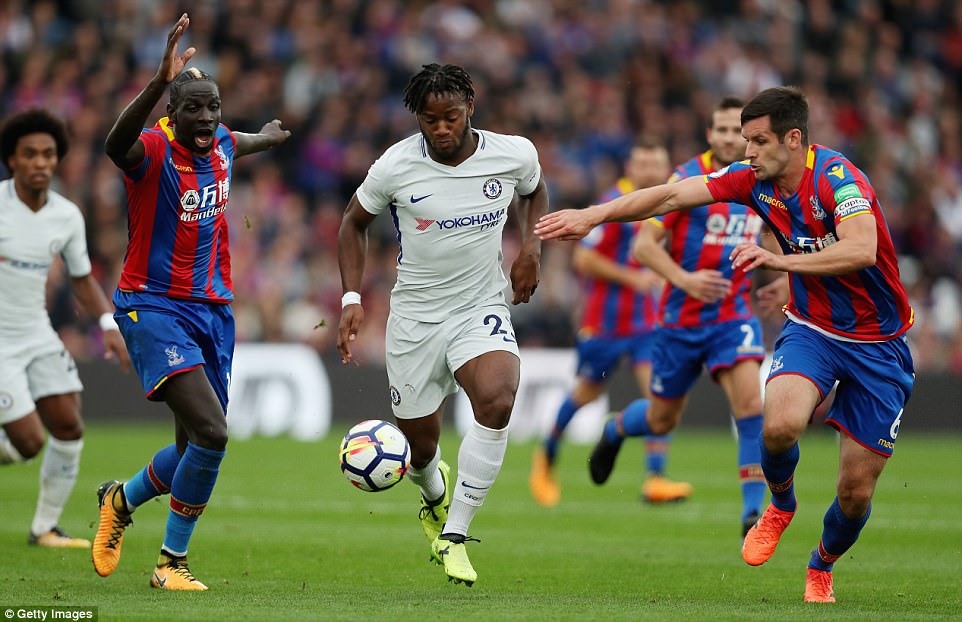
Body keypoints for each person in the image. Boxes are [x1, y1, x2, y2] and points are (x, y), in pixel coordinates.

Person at [534, 86, 914, 604]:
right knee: (776, 425)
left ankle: (821, 565)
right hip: (811, 330)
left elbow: (862, 248)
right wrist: (592, 216)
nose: (747, 151)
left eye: (758, 141)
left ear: (794, 139)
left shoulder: (837, 179)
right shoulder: (749, 180)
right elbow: (668, 197)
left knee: (854, 492)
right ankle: (777, 505)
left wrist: (779, 264)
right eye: (742, 139)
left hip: (879, 343)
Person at [91, 13, 290, 591]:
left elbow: (237, 142)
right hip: (152, 305)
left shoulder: (224, 141)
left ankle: (119, 501)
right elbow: (112, 144)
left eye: (213, 107)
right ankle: (170, 564)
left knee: (191, 446)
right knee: (213, 433)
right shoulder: (152, 150)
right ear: (171, 113)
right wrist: (158, 80)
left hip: (212, 311)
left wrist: (269, 137)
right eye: (193, 108)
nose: (206, 119)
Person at [337, 63, 548, 587]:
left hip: (480, 306)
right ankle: (433, 495)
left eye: (450, 117)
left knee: (498, 399)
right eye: (430, 120)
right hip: (414, 319)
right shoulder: (395, 167)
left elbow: (535, 190)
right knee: (421, 449)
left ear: (470, 109)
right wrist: (350, 297)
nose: (441, 129)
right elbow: (352, 223)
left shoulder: (512, 154)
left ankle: (454, 534)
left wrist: (532, 246)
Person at [586, 98, 767, 537]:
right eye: (721, 130)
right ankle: (615, 430)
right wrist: (685, 281)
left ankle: (752, 516)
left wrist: (779, 273)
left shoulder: (762, 177)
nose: (729, 138)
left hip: (733, 313)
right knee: (663, 419)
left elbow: (775, 230)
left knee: (750, 405)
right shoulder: (686, 180)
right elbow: (644, 248)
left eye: (736, 131)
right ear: (709, 134)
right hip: (681, 319)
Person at [529, 137, 692, 508]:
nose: (651, 171)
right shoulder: (611, 203)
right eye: (644, 164)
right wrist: (633, 278)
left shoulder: (668, 204)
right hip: (603, 324)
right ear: (630, 168)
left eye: (657, 165)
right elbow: (583, 261)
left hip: (647, 325)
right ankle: (545, 460)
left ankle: (655, 476)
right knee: (585, 394)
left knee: (658, 396)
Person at [0, 108, 131, 549]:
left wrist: (107, 323)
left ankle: (44, 529)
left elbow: (81, 278)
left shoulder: (66, 216)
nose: (40, 162)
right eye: (30, 154)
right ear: (12, 160)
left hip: (36, 333)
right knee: (29, 441)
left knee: (69, 427)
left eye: (48, 154)